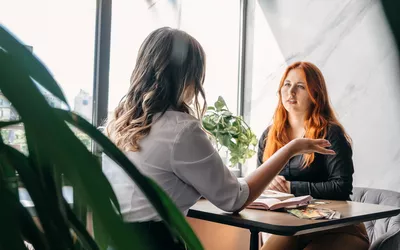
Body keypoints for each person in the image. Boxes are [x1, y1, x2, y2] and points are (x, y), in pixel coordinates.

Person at [102, 28, 334, 249]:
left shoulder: (118, 124)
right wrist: (291, 149)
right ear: (186, 76)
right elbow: (234, 199)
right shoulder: (181, 130)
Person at [258, 61, 369, 250]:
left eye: (300, 86)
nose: (291, 92)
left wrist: (291, 187)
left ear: (315, 94)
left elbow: (341, 187)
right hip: (295, 227)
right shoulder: (269, 135)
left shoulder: (330, 133)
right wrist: (269, 182)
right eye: (287, 84)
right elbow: (259, 182)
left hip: (338, 227)